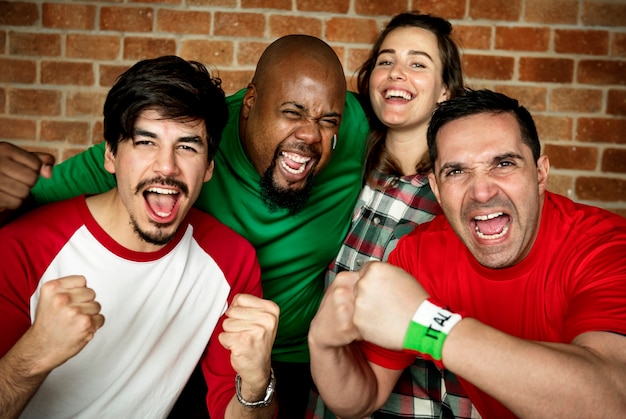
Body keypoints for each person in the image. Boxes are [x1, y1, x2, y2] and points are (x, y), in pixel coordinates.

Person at [0, 35, 369, 418]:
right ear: (110, 154)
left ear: (209, 162)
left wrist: (257, 379)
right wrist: (36, 351)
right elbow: (23, 192)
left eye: (188, 147)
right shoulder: (23, 246)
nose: (166, 166)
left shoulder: (231, 262)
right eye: (146, 142)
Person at [308, 88, 626, 418]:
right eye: (457, 171)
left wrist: (432, 327)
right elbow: (363, 397)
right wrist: (323, 346)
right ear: (436, 189)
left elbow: (614, 400)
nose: (482, 191)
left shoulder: (604, 245)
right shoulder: (419, 253)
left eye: (503, 163)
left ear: (540, 173)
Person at [309, 12, 476, 419]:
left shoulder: (459, 196)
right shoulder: (349, 179)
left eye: (418, 63)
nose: (397, 73)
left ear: (445, 92)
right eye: (386, 60)